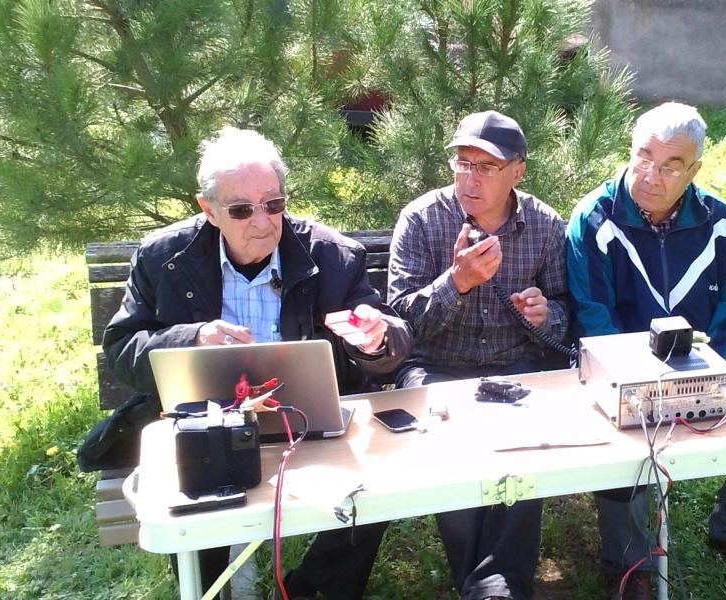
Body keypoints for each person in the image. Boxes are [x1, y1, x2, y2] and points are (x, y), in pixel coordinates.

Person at [101, 126, 413, 600]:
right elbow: (123, 348)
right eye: (241, 210)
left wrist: (375, 338)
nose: (263, 222)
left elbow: (391, 337)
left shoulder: (331, 255)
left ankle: (314, 591)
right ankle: (212, 589)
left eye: (274, 204)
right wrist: (191, 338)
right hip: (207, 427)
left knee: (372, 494)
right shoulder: (164, 257)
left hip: (310, 426)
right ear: (208, 210)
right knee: (191, 504)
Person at [565, 102, 726, 599]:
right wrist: (634, 386)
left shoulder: (721, 222)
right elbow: (594, 314)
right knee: (621, 444)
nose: (651, 176)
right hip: (619, 370)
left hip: (701, 363)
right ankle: (631, 564)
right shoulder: (594, 218)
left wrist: (722, 378)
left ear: (694, 170)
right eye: (643, 158)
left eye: (671, 166)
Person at [387, 110, 569, 600]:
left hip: (516, 364)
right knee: (447, 433)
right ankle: (491, 587)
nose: (471, 178)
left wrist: (545, 315)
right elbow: (399, 325)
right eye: (463, 164)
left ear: (518, 171)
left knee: (528, 439)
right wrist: (457, 283)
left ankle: (497, 585)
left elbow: (566, 310)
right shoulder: (422, 219)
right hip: (436, 366)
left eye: (487, 167)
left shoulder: (544, 225)